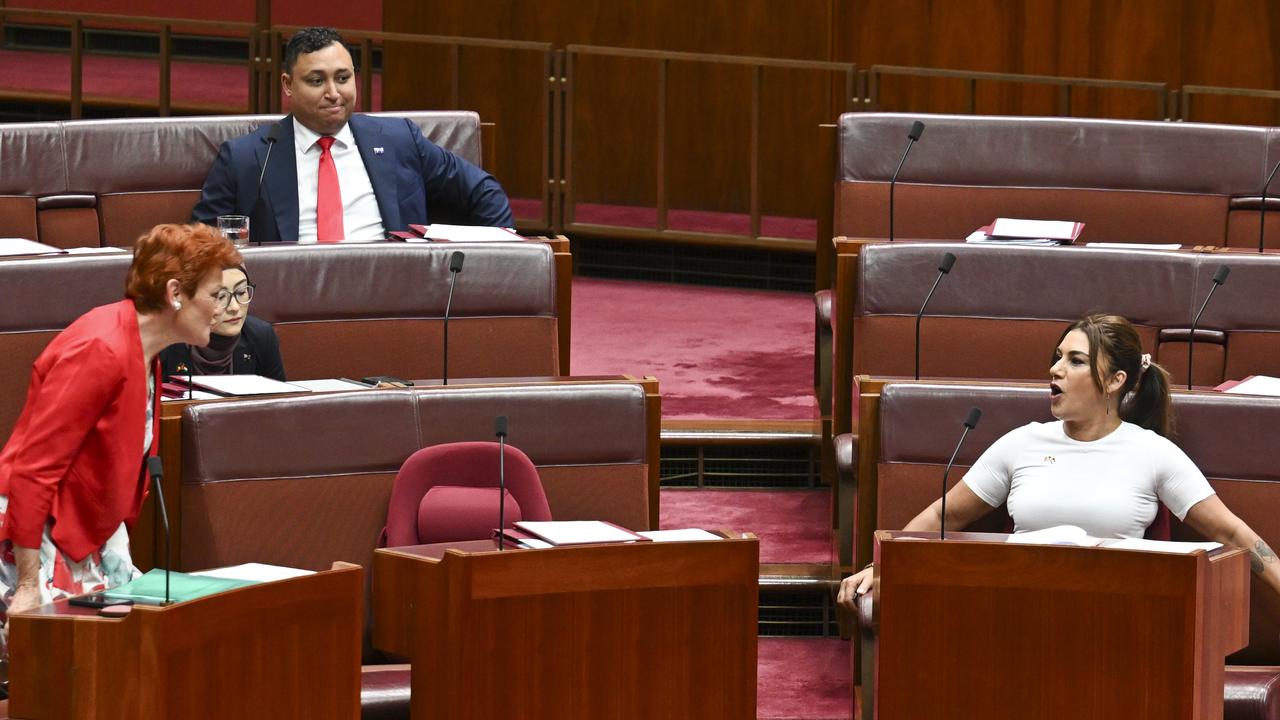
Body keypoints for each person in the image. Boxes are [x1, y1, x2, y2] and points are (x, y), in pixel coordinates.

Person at [837, 313, 1280, 608]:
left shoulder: (1152, 452)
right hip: (1019, 608)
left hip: (1120, 617)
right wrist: (882, 566)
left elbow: (1234, 534)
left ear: (1115, 380)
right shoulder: (1021, 444)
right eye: (1056, 358)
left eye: (1075, 360)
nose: (1055, 369)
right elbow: (942, 515)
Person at [0, 224, 240, 648]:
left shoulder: (146, 352)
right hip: (36, 535)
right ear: (175, 293)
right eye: (216, 295)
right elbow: (33, 470)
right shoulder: (101, 348)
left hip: (87, 531)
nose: (224, 309)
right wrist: (27, 585)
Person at [191, 26, 513, 243]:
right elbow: (198, 244)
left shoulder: (398, 139)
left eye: (343, 78)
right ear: (288, 85)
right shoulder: (248, 158)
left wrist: (491, 265)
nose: (334, 93)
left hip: (393, 304)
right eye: (317, 81)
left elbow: (483, 191)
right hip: (292, 309)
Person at [159, 265, 286, 382]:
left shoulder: (261, 336)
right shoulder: (164, 341)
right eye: (220, 296)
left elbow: (279, 402)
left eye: (241, 292)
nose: (235, 307)